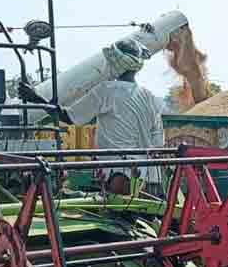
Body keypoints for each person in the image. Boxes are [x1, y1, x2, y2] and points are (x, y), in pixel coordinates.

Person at [62, 39, 165, 196]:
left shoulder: (106, 90)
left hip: (117, 174)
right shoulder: (150, 97)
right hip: (144, 178)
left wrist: (39, 101)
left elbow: (69, 117)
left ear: (115, 64)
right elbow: (158, 143)